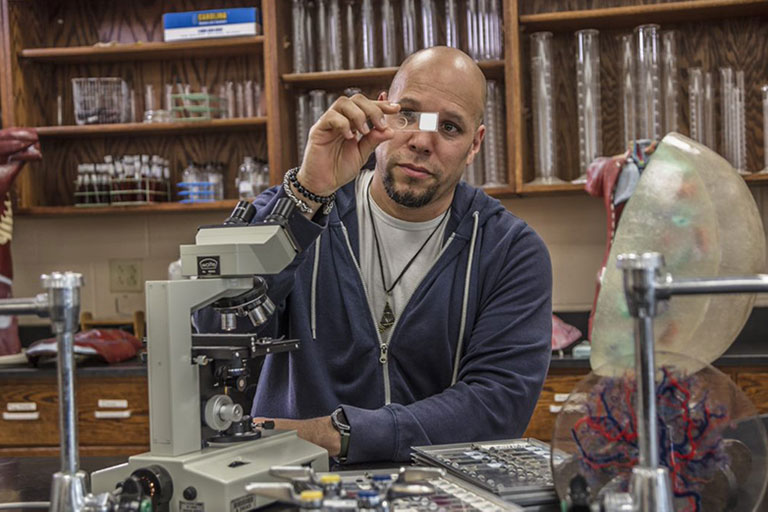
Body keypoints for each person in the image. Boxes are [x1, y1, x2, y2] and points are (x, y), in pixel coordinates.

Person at [200, 46, 552, 463]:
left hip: (434, 497)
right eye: (408, 115)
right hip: (292, 489)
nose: (422, 141)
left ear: (475, 144)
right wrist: (308, 195)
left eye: (450, 127)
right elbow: (213, 322)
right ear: (382, 110)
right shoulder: (300, 208)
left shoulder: (510, 251)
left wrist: (338, 434)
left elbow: (495, 408)